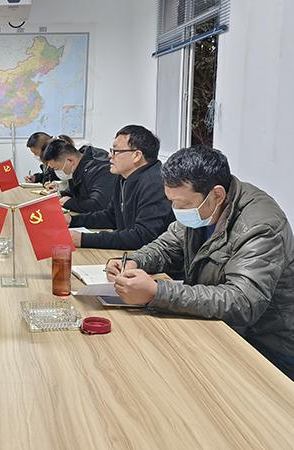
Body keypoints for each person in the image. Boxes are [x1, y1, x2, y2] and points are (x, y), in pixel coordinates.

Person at [106, 146, 294, 379]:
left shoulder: (261, 226)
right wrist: (134, 261)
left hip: (267, 347)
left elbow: (242, 301)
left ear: (217, 195)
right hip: (218, 329)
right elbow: (166, 245)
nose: (177, 211)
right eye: (172, 202)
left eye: (183, 205)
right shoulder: (203, 206)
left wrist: (157, 292)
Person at [66, 125, 174, 249]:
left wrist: (83, 239)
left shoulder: (155, 184)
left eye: (116, 151)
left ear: (137, 155)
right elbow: (111, 217)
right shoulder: (123, 177)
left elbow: (143, 236)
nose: (109, 156)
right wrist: (73, 221)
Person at [41, 137, 116, 212]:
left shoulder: (100, 169)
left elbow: (98, 204)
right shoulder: (79, 162)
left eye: (57, 168)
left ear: (70, 161)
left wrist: (69, 203)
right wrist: (62, 194)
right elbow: (81, 191)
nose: (56, 172)